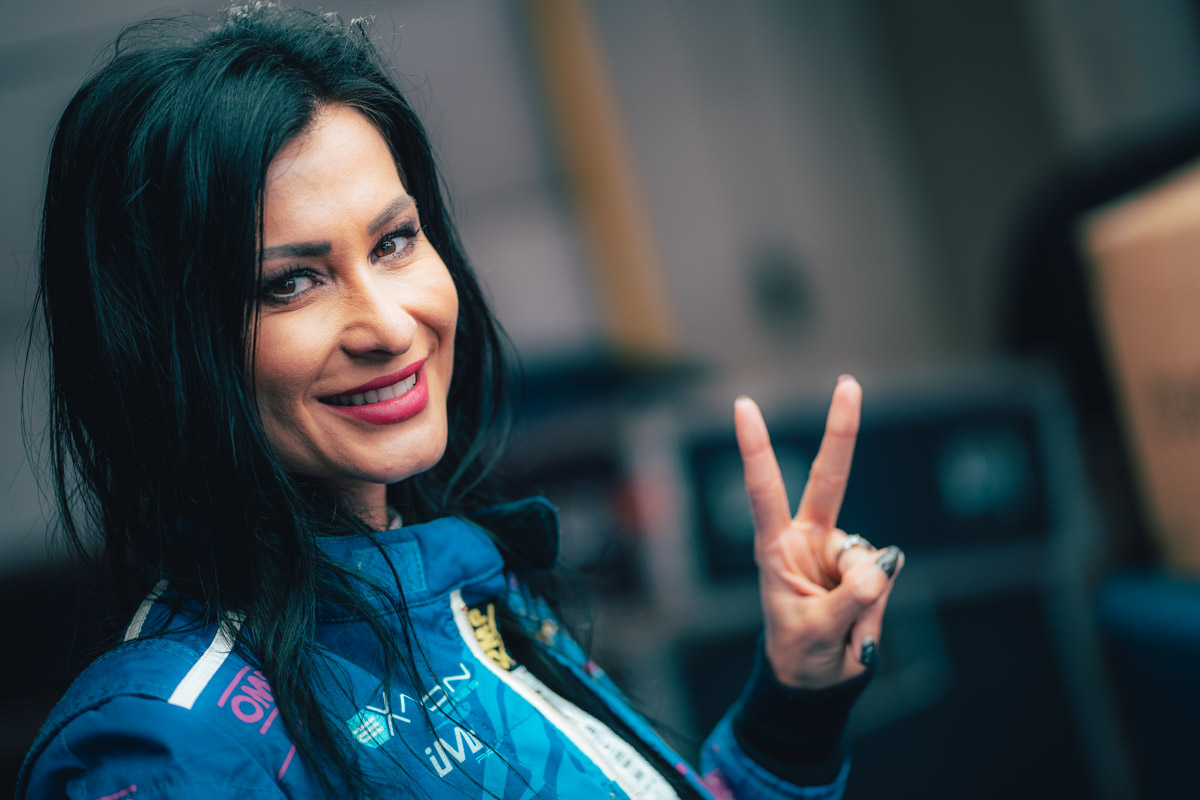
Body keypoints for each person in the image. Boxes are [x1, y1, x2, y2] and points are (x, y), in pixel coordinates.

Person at [17, 4, 903, 799]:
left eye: (394, 242)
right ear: (164, 351)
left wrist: (795, 705)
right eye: (291, 283)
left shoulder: (458, 587)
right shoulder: (164, 750)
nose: (389, 325)